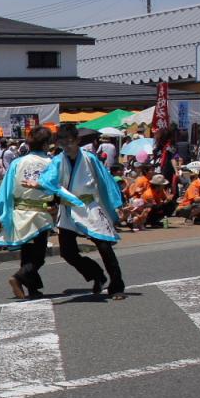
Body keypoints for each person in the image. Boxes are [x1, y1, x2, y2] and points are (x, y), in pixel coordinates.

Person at [0, 125, 82, 299]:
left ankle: (33, 288)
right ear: (46, 144)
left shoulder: (17, 163)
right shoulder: (52, 162)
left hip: (20, 212)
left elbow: (6, 190)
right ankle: (18, 278)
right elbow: (58, 187)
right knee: (39, 256)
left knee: (27, 252)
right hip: (41, 212)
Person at [38, 123, 126, 299]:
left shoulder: (90, 158)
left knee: (104, 246)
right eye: (62, 142)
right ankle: (96, 274)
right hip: (68, 208)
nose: (67, 146)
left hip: (89, 207)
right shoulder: (57, 161)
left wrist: (116, 203)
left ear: (77, 140)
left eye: (69, 141)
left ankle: (117, 286)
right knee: (67, 252)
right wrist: (42, 188)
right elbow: (49, 180)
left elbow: (105, 181)